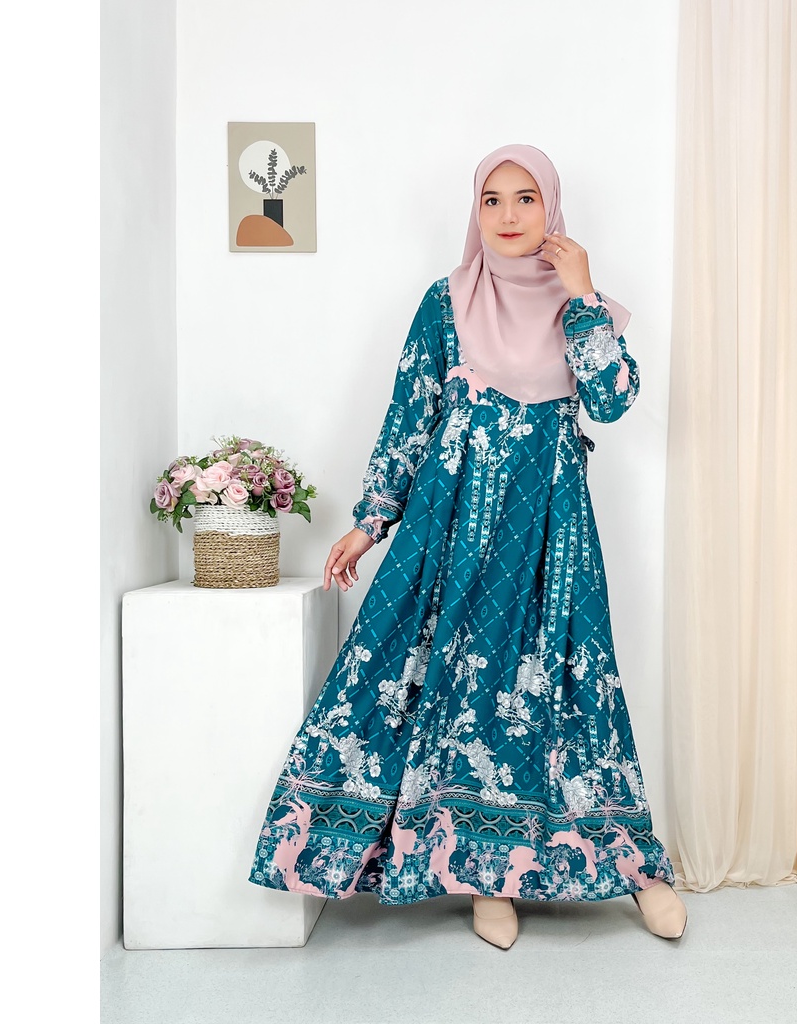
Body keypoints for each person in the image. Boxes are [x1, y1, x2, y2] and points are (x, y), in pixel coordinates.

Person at [248, 143, 688, 949]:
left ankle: (636, 867)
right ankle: (484, 876)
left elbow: (612, 400)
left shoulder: (579, 305)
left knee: (568, 682)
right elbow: (409, 416)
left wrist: (583, 293)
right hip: (452, 524)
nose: (509, 215)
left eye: (526, 199)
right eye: (492, 200)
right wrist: (370, 522)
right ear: (475, 211)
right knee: (453, 680)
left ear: (551, 209)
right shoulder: (446, 301)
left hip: (551, 529)